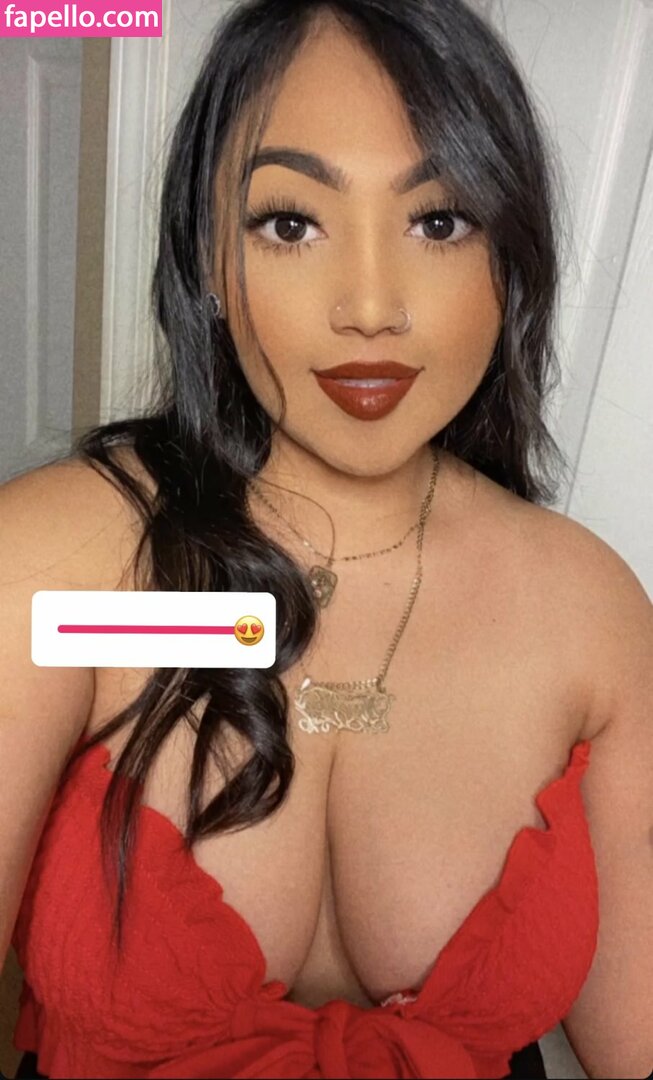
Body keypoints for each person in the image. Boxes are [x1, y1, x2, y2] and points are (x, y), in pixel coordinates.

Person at [2, 1, 652, 1078]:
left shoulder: (590, 615)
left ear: (509, 257)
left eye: (438, 222)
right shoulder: (58, 570)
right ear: (206, 257)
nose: (369, 306)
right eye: (290, 223)